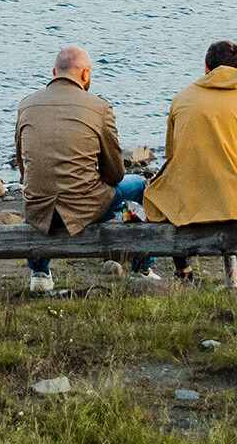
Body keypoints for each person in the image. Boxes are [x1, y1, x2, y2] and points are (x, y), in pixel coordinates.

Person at [142, 40, 237, 290]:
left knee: (164, 192)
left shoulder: (182, 99)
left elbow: (172, 154)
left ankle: (184, 272)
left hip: (192, 205)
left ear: (206, 68)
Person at [13, 45, 155, 291]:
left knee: (38, 189)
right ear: (86, 74)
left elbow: (24, 168)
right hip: (84, 208)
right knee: (137, 186)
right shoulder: (99, 107)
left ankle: (40, 273)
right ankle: (141, 269)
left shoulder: (26, 105)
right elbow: (115, 174)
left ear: (54, 72)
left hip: (38, 207)